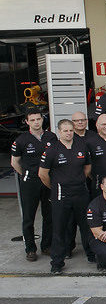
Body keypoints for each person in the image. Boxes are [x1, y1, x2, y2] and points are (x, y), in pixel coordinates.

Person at [39, 119, 93, 274]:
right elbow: (43, 174)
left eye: (71, 130)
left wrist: (78, 180)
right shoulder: (52, 149)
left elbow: (87, 167)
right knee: (59, 228)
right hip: (61, 194)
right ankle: (57, 262)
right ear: (59, 132)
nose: (69, 133)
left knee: (86, 226)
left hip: (81, 192)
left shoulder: (81, 146)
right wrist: (56, 186)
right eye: (65, 130)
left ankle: (91, 254)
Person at [11, 108, 57, 261]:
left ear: (42, 119)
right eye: (32, 120)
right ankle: (30, 249)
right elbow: (15, 162)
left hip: (48, 182)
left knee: (49, 215)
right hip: (30, 183)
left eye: (38, 119)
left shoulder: (51, 137)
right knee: (28, 217)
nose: (36, 122)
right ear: (27, 122)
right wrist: (26, 175)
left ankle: (46, 246)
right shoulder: (21, 140)